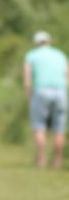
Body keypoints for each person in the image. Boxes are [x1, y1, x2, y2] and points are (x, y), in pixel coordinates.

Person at [24, 31, 68, 169]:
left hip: (41, 91)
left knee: (39, 127)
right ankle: (57, 161)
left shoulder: (31, 55)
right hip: (60, 92)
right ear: (49, 41)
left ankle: (41, 160)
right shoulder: (60, 55)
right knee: (59, 129)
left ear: (36, 43)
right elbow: (67, 76)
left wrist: (30, 97)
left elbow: (27, 81)